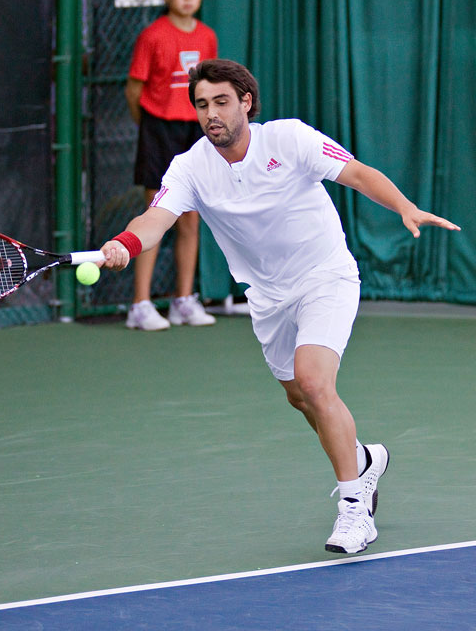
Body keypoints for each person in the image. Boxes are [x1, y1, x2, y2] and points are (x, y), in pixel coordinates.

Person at [101, 59, 460, 553]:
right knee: (301, 398)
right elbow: (155, 218)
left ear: (246, 102)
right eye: (202, 105)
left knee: (314, 381)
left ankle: (355, 509)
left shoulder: (290, 139)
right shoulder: (190, 167)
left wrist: (404, 206)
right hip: (267, 296)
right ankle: (362, 460)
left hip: (324, 276)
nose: (211, 114)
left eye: (221, 102)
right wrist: (125, 243)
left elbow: (356, 173)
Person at [124, 0, 218, 331]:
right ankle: (140, 305)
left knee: (191, 216)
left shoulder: (207, 37)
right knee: (156, 214)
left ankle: (183, 301)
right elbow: (134, 90)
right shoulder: (152, 36)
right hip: (158, 130)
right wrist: (149, 126)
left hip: (195, 132)